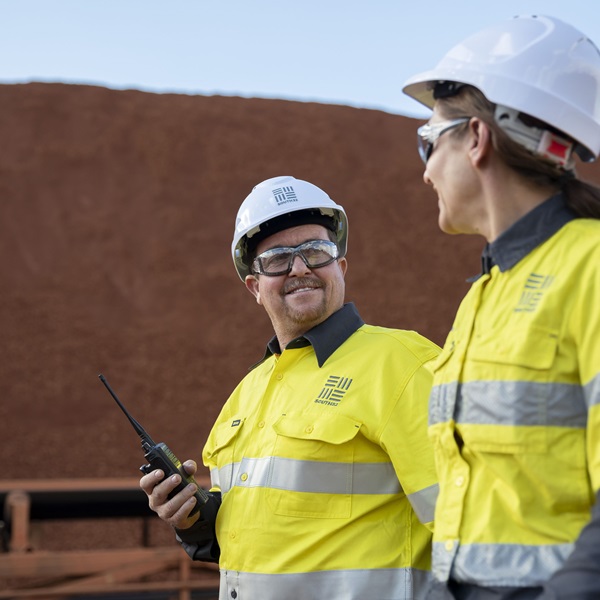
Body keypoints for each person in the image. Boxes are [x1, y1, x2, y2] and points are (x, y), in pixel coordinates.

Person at [140, 175, 441, 600]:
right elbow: (257, 537)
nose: (300, 268)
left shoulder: (404, 365)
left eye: (316, 252)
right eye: (278, 259)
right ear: (255, 288)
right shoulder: (247, 393)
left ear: (342, 267)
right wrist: (192, 521)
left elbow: (472, 528)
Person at [401, 14, 600, 600]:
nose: (426, 172)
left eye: (428, 142)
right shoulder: (483, 295)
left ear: (478, 139)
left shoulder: (590, 269)